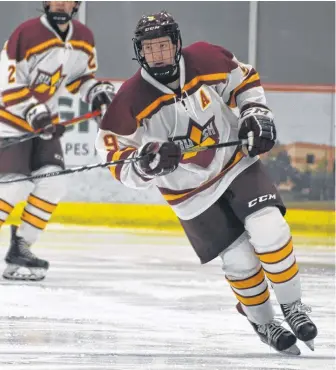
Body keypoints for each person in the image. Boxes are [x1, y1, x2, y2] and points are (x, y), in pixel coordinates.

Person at [95, 11, 317, 355]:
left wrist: (255, 114)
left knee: (270, 230)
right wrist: (145, 163)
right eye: (149, 49)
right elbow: (114, 155)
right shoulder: (129, 100)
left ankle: (293, 306)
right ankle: (263, 322)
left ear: (177, 44)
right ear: (139, 52)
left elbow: (245, 82)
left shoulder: (207, 58)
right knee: (241, 261)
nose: (158, 55)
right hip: (189, 193)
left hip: (235, 165)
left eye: (163, 46)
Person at [0, 1, 114, 281]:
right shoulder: (25, 34)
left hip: (44, 125)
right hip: (9, 122)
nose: (61, 2)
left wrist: (97, 93)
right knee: (13, 188)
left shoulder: (84, 38)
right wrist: (35, 112)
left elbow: (80, 78)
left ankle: (21, 247)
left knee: (54, 182)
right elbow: (7, 84)